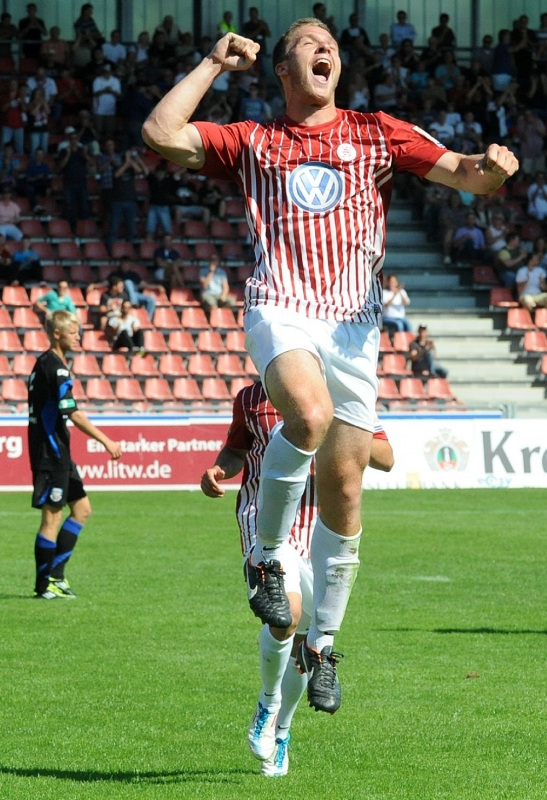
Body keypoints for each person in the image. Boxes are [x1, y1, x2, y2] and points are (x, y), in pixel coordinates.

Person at [142, 18, 518, 714]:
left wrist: (493, 168)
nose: (326, 51)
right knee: (307, 416)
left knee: (344, 489)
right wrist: (213, 64)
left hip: (354, 328)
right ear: (283, 70)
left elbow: (468, 175)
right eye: (310, 44)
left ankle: (323, 645)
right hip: (281, 306)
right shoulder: (254, 140)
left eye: (333, 47)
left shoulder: (378, 132)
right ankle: (267, 558)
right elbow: (161, 133)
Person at [200, 381, 393, 777]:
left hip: (322, 529)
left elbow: (386, 457)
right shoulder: (251, 398)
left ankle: (282, 730)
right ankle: (267, 703)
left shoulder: (346, 395)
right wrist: (220, 469)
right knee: (285, 613)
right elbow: (236, 450)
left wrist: (335, 432)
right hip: (267, 520)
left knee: (306, 644)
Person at [28, 310, 122, 599]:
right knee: (51, 518)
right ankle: (44, 585)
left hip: (59, 453)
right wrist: (106, 440)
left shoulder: (44, 363)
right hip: (50, 453)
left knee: (82, 509)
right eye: (73, 332)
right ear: (56, 334)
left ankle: (56, 576)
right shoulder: (55, 368)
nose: (78, 337)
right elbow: (73, 412)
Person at [108, 256, 156, 321]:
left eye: (127, 264)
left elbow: (143, 284)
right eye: (124, 264)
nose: (126, 265)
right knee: (128, 282)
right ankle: (134, 304)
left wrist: (156, 286)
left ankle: (147, 320)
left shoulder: (133, 274)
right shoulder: (116, 274)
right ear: (121, 264)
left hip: (135, 294)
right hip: (124, 293)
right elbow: (106, 282)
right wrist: (96, 285)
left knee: (150, 300)